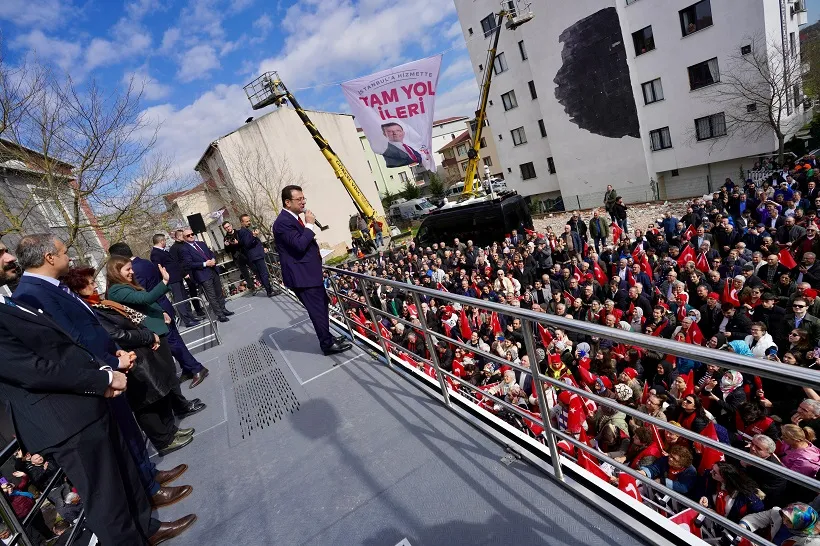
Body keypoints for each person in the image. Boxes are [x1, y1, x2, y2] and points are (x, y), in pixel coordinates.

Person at [0, 241, 196, 545]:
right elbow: (38, 364)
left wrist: (107, 365)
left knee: (120, 482)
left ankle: (146, 527)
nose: (9, 257)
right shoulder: (26, 295)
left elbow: (70, 339)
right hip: (64, 415)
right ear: (49, 257)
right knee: (107, 501)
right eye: (0, 252)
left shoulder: (12, 301)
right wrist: (102, 375)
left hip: (85, 400)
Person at [111, 242, 210, 390]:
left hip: (155, 308)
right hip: (162, 304)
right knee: (175, 340)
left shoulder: (134, 269)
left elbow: (142, 295)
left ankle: (196, 368)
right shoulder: (145, 262)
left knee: (172, 342)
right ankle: (187, 368)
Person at [272, 185, 352, 356]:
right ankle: (327, 344)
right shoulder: (282, 223)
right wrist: (309, 226)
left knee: (322, 306)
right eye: (298, 199)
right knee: (317, 310)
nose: (303, 202)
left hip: (308, 272)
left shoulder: (293, 218)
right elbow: (300, 245)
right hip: (302, 277)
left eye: (303, 198)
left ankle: (328, 337)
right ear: (287, 202)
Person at [178, 229, 233, 323]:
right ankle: (220, 315)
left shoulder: (201, 243)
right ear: (184, 238)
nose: (191, 236)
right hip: (202, 274)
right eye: (188, 235)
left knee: (219, 292)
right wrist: (205, 264)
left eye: (192, 234)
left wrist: (213, 259)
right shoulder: (184, 249)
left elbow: (210, 252)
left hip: (213, 270)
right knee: (212, 296)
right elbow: (188, 264)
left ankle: (223, 309)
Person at [149, 233, 201, 328]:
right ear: (161, 241)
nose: (165, 242)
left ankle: (190, 316)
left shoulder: (163, 251)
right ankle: (187, 320)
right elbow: (158, 268)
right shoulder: (155, 254)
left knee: (184, 298)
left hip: (177, 278)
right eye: (164, 240)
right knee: (180, 299)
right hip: (172, 280)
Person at [237, 214, 279, 297]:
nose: (249, 222)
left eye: (249, 220)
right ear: (241, 222)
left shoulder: (246, 230)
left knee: (262, 273)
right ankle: (269, 291)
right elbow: (247, 244)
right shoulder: (243, 231)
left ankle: (269, 289)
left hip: (256, 254)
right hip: (255, 255)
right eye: (247, 221)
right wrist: (254, 235)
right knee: (264, 273)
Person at [222, 221, 256, 292]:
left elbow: (245, 243)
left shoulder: (239, 232)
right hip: (237, 257)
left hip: (245, 254)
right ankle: (252, 288)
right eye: (226, 228)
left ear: (231, 225)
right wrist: (226, 245)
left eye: (228, 226)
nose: (228, 228)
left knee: (254, 268)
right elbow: (227, 251)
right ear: (224, 229)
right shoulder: (226, 238)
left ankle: (262, 282)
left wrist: (238, 242)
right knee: (245, 274)